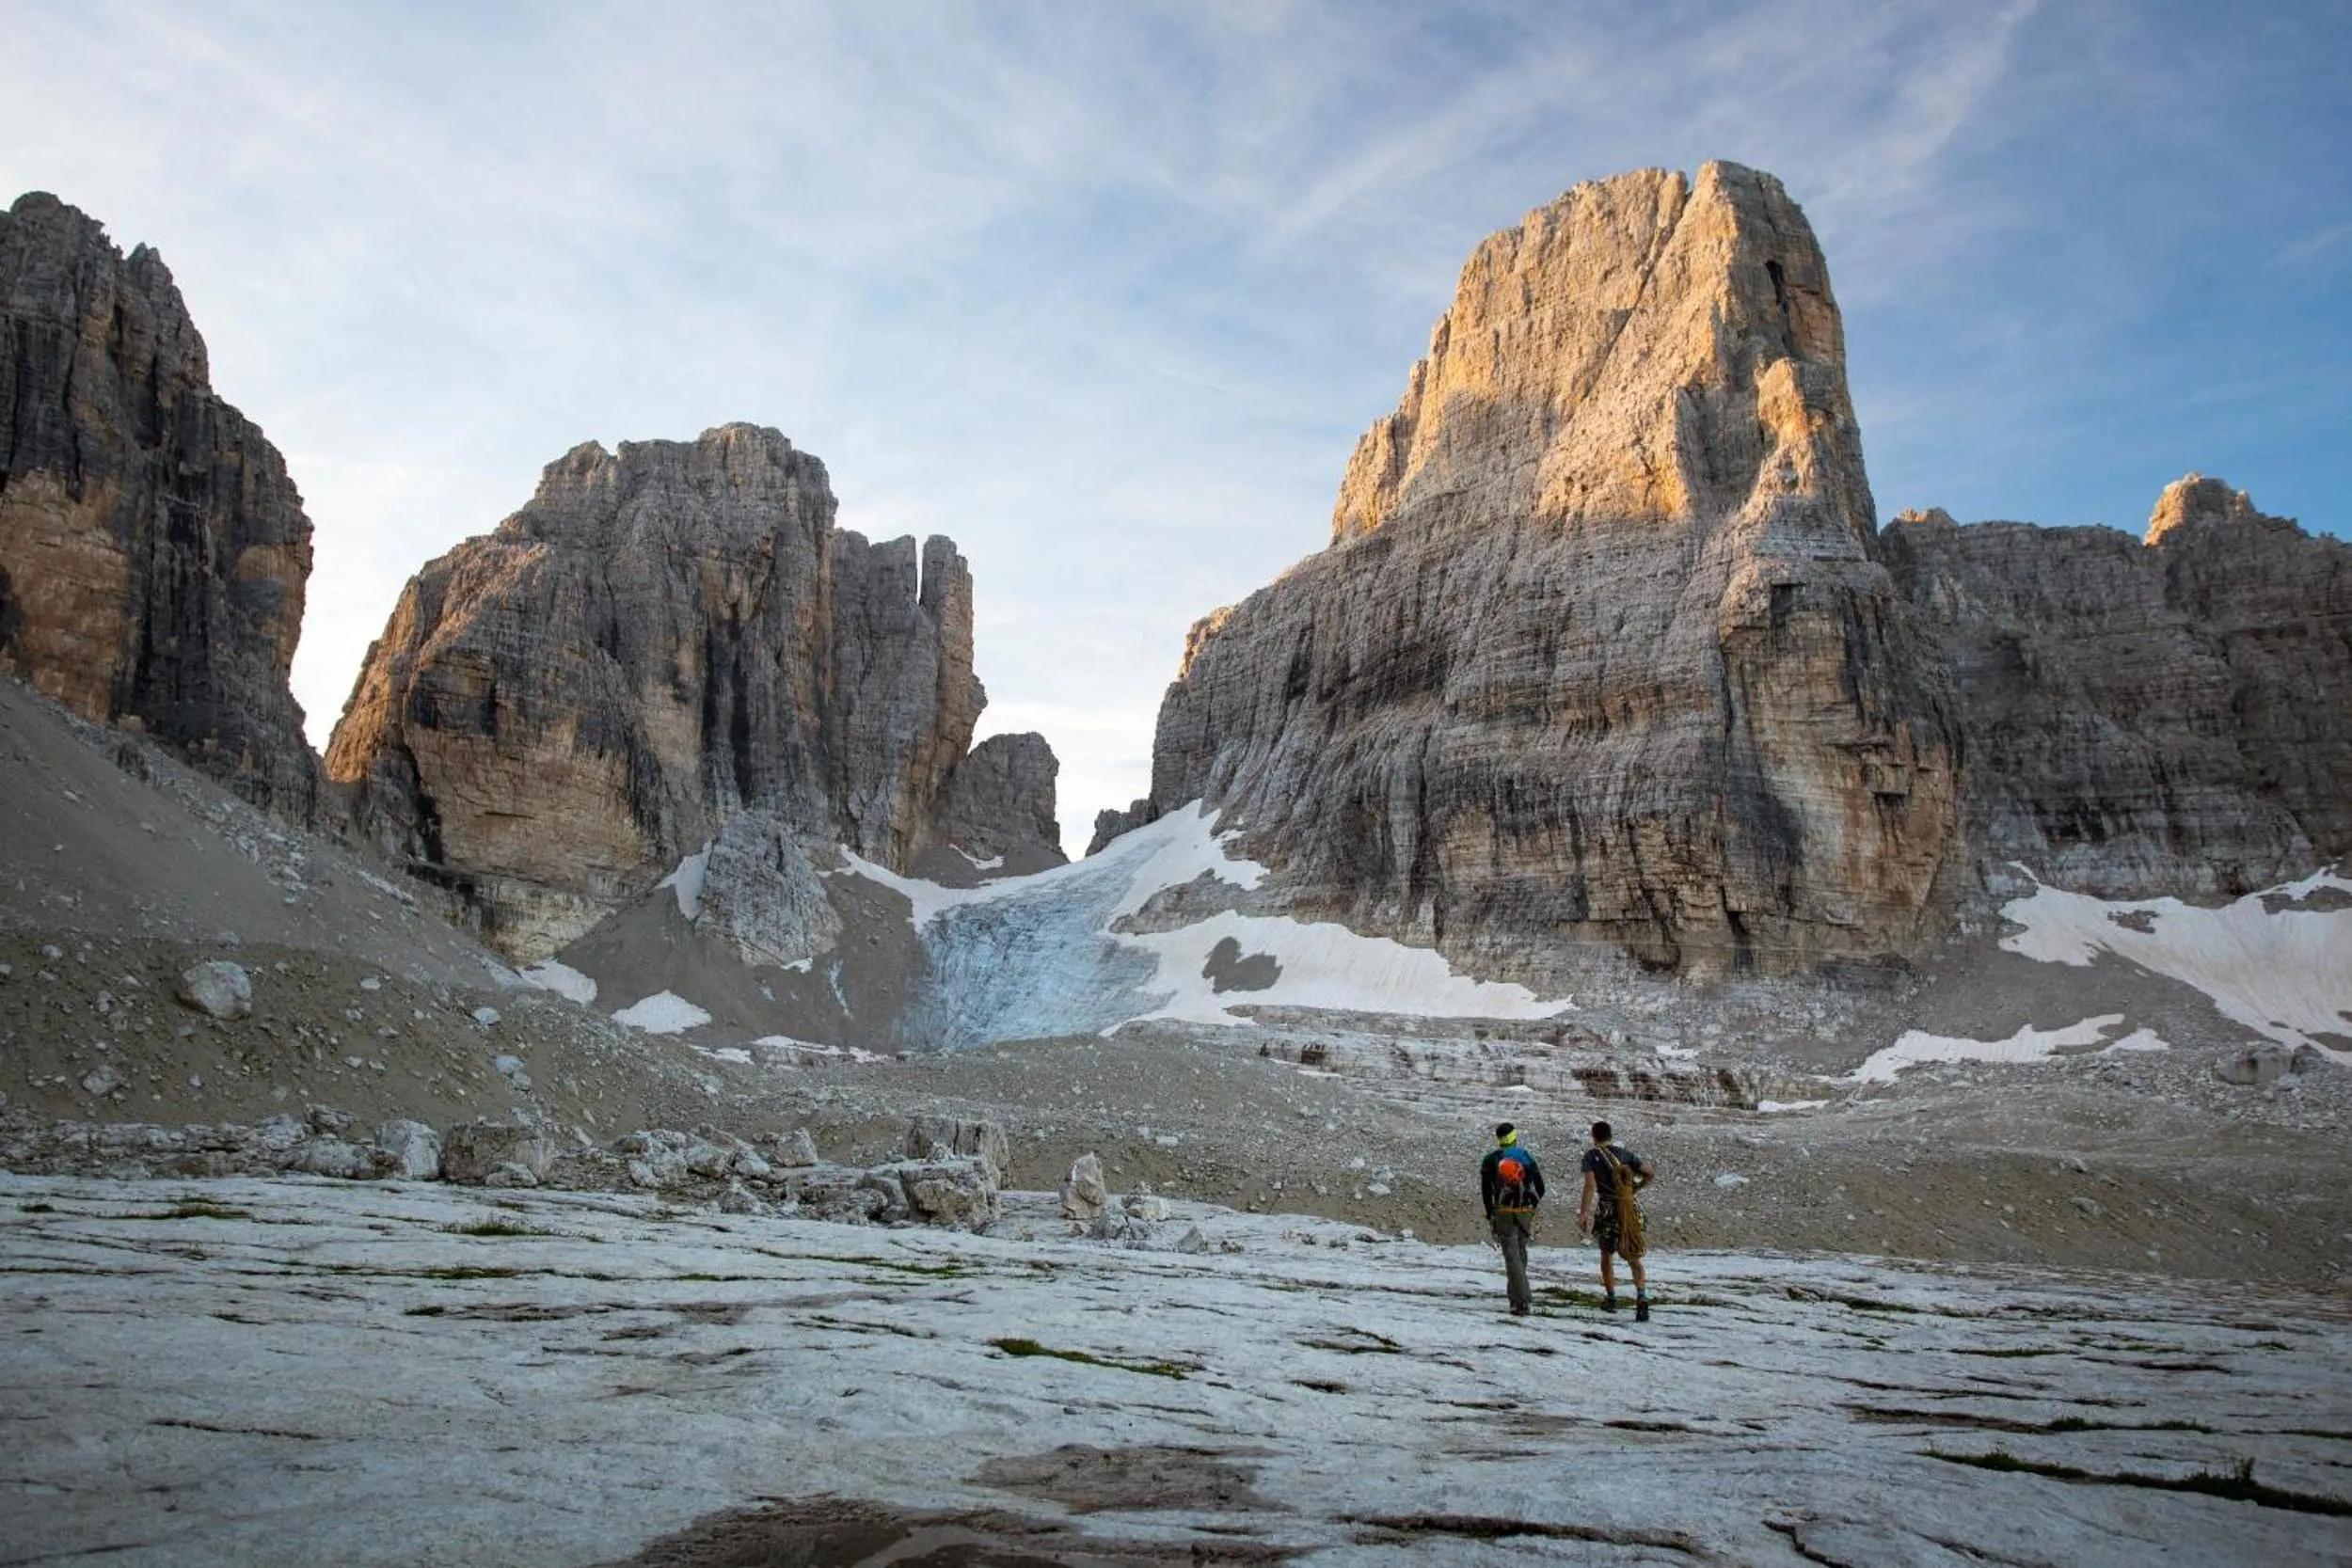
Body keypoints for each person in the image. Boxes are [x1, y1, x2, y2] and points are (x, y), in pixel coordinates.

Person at [1576, 1119, 1654, 1320]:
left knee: (1606, 1255)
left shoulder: (1591, 1156)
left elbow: (1590, 1186)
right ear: (1610, 1135)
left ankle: (1611, 1299)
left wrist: (1583, 1213)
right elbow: (1648, 1172)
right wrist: (1634, 1190)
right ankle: (1641, 1297)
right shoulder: (1624, 1154)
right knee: (1633, 1254)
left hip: (1608, 1211)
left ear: (1594, 1136)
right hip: (1628, 1210)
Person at [1478, 1122, 1545, 1316]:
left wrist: (1490, 1213)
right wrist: (1531, 1207)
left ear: (1498, 1139)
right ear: (1514, 1137)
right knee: (1520, 1254)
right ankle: (1514, 1297)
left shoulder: (1490, 1160)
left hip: (1503, 1213)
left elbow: (1486, 1192)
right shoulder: (1526, 1157)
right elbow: (1540, 1187)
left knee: (1512, 1256)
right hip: (1524, 1212)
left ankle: (1521, 1301)